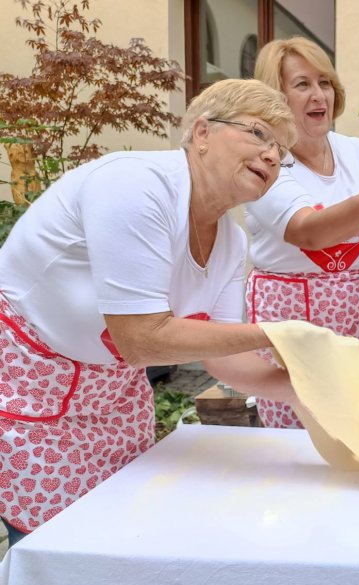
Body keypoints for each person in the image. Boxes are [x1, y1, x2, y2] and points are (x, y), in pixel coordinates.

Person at [0, 78, 301, 545]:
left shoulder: (232, 240)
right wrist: (275, 334)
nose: (272, 156)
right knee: (57, 549)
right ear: (201, 132)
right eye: (259, 134)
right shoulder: (135, 185)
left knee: (124, 534)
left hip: (115, 396)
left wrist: (301, 390)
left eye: (281, 151)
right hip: (31, 388)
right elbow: (142, 339)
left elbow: (221, 358)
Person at [246, 37, 359, 429]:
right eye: (302, 85)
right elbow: (308, 233)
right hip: (290, 323)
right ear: (275, 97)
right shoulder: (264, 161)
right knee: (297, 438)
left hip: (356, 318)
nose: (319, 95)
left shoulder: (357, 153)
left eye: (325, 82)